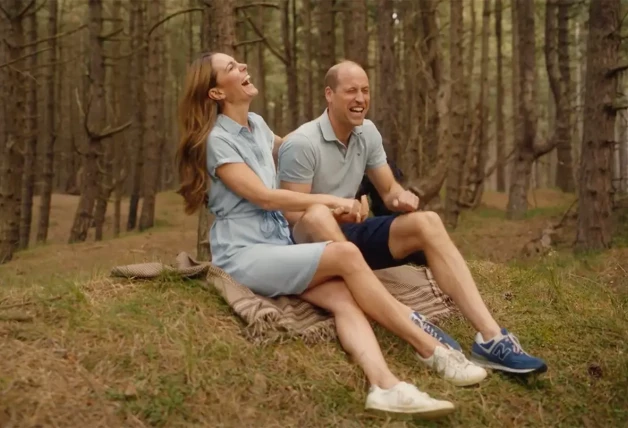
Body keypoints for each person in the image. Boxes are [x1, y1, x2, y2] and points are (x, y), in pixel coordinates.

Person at [174, 52, 489, 418]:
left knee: (342, 297)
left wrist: (344, 139)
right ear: (215, 93)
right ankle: (431, 349)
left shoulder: (256, 125)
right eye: (232, 68)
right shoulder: (217, 141)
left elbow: (297, 145)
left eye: (240, 63)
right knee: (347, 256)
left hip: (278, 247)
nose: (243, 67)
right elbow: (263, 196)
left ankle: (385, 387)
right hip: (244, 253)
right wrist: (330, 200)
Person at [277, 60, 548, 375]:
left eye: (365, 91)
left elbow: (389, 187)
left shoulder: (368, 133)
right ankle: (399, 312)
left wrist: (399, 197)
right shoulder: (302, 143)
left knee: (428, 221)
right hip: (311, 246)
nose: (360, 99)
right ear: (329, 94)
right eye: (351, 91)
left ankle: (491, 338)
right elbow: (293, 215)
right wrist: (337, 208)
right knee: (317, 214)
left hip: (352, 232)